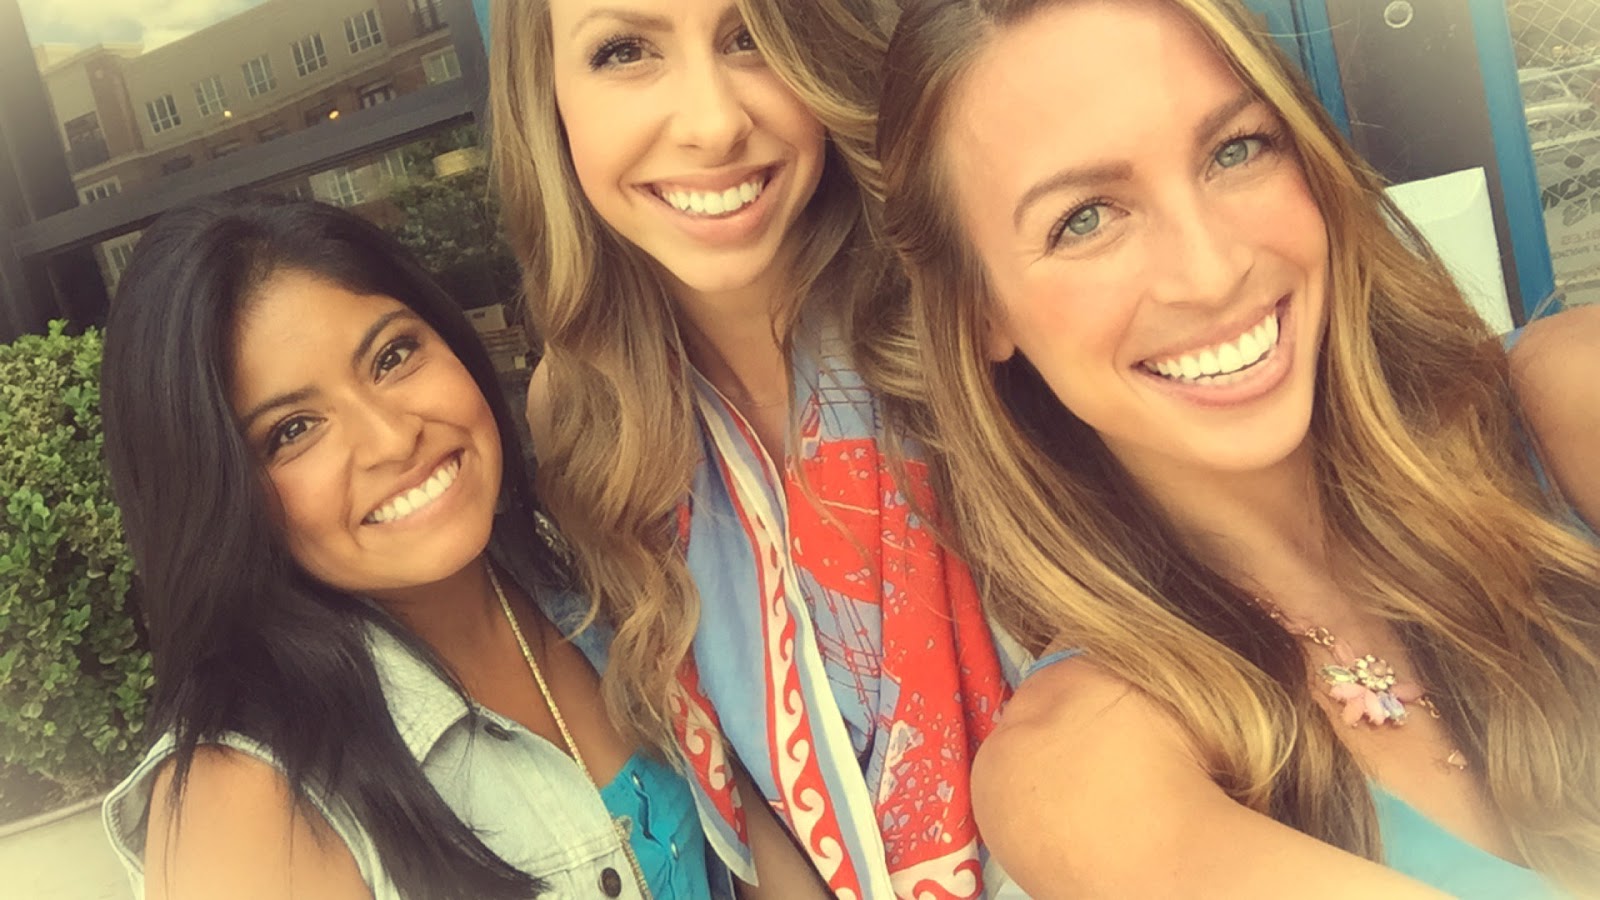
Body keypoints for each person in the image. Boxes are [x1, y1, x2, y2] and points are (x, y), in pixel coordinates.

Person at [873, 0, 1600, 896]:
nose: (1212, 271)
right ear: (981, 309)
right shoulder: (1079, 765)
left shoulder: (1565, 402)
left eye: (1235, 150)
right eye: (1086, 218)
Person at [487, 0, 1014, 895]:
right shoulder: (585, 415)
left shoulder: (967, 304)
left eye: (749, 39)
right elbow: (727, 768)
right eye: (625, 51)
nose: (714, 123)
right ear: (548, 100)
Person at [97, 195, 730, 899]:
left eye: (393, 356)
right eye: (294, 430)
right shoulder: (246, 806)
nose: (393, 438)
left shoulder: (584, 573)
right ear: (217, 500)